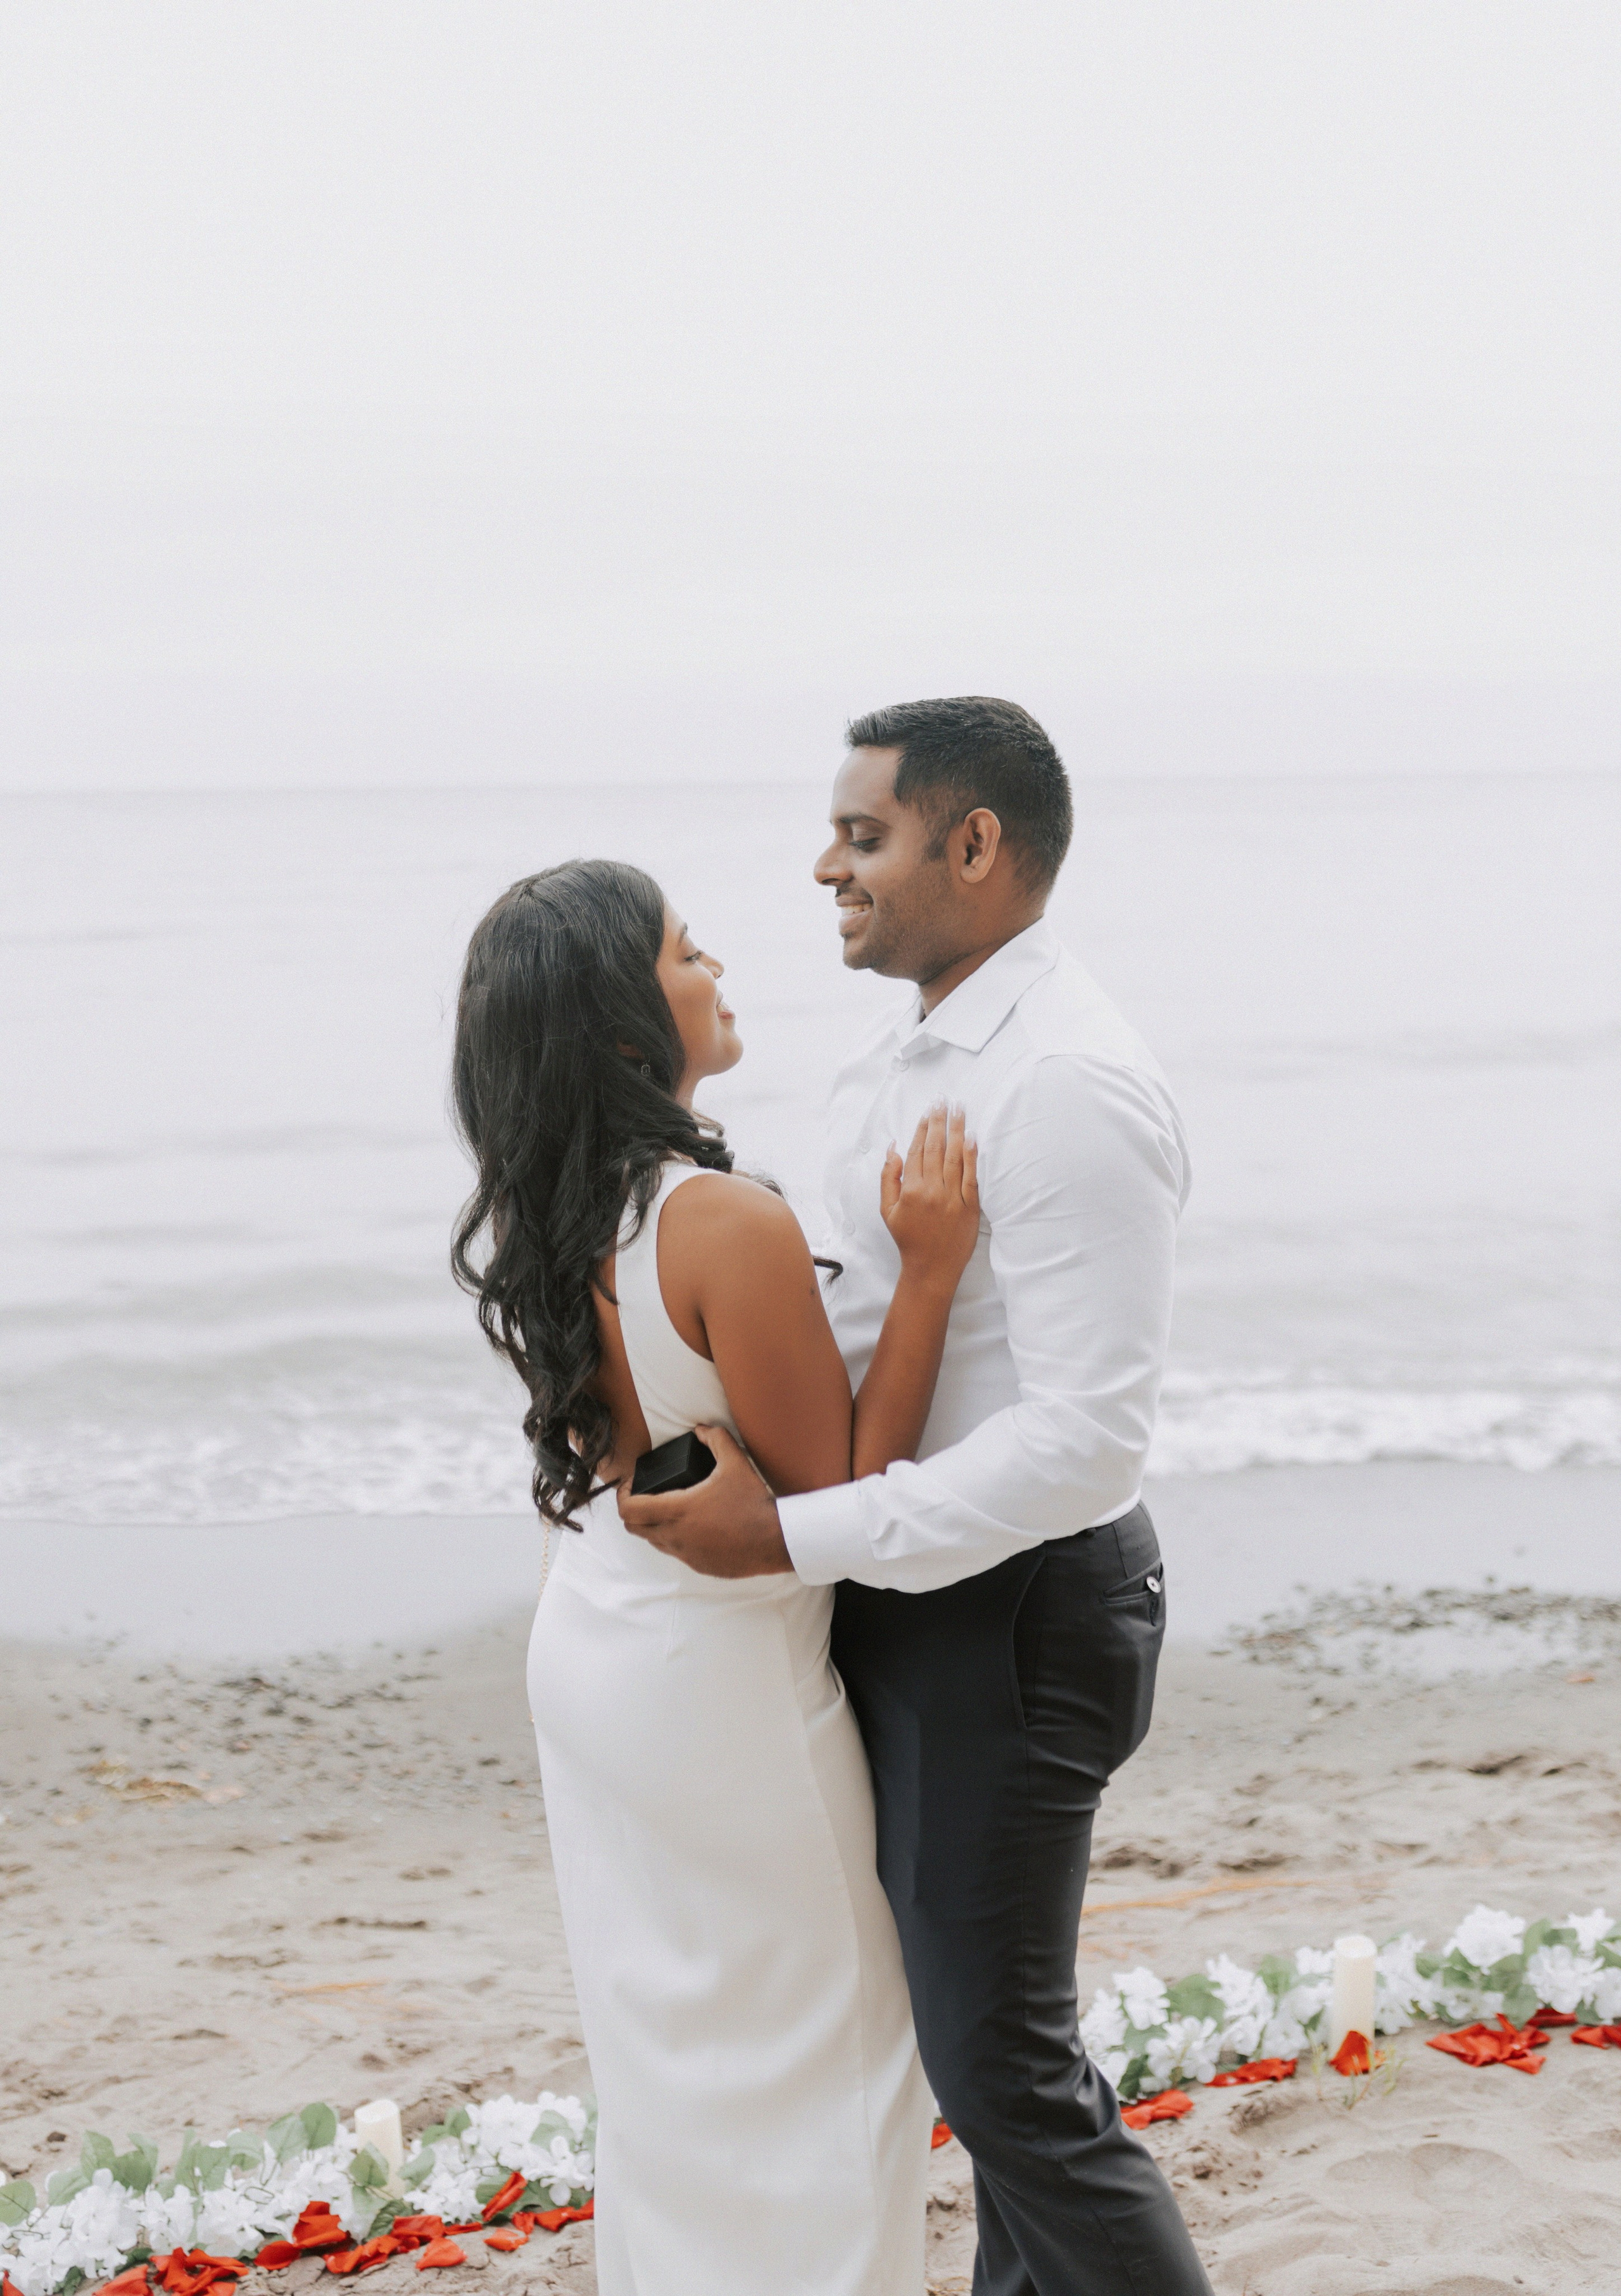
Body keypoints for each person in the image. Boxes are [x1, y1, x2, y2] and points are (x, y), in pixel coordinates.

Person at [619, 697, 1213, 2295]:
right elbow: (881, 1322)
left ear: (973, 844)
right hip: (920, 1594)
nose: (825, 866)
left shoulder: (1066, 1083)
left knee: (1000, 2070)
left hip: (1017, 1613)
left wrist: (790, 1534)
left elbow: (1085, 1439)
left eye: (862, 835)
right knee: (984, 2058)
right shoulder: (905, 1048)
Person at [450, 856, 985, 2296]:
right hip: (724, 1685)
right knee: (834, 2056)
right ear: (627, 1016)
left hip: (599, 1643)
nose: (718, 967)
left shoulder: (558, 1215)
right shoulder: (716, 1222)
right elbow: (841, 1500)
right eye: (688, 952)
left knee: (670, 2067)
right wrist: (928, 1269)